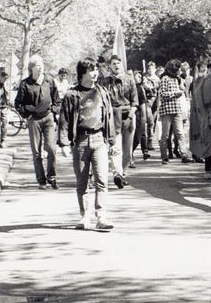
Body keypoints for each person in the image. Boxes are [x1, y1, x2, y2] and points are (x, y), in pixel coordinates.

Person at [57, 57, 115, 230]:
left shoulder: (102, 92)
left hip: (99, 140)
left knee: (102, 180)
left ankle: (101, 216)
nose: (95, 73)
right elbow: (64, 120)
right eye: (91, 70)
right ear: (83, 73)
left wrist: (111, 141)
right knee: (82, 181)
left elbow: (109, 116)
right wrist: (64, 143)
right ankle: (84, 216)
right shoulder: (71, 95)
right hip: (81, 141)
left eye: (96, 69)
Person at [14, 54, 61, 189]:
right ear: (31, 68)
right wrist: (26, 115)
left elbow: (57, 99)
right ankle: (41, 180)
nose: (40, 68)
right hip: (33, 120)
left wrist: (54, 110)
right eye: (37, 66)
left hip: (48, 118)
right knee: (37, 152)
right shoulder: (25, 84)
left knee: (51, 148)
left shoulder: (49, 81)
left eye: (42, 65)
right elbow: (18, 103)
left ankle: (51, 176)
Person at [101, 55, 137, 187]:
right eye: (113, 64)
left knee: (127, 150)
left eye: (118, 63)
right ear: (110, 66)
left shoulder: (129, 80)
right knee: (115, 148)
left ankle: (123, 172)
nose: (116, 66)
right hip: (112, 115)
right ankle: (117, 174)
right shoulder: (105, 82)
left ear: (122, 65)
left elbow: (135, 102)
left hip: (128, 114)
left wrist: (130, 117)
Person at [157, 59, 187, 165]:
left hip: (177, 109)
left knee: (180, 133)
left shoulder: (176, 79)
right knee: (165, 135)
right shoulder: (165, 78)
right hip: (166, 110)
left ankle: (184, 154)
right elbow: (162, 94)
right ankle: (164, 157)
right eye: (179, 69)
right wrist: (175, 93)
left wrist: (181, 89)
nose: (180, 71)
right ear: (173, 69)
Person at [133, 70, 150, 161]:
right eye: (138, 76)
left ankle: (143, 150)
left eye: (141, 77)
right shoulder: (130, 87)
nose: (140, 78)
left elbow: (143, 103)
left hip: (139, 115)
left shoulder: (140, 88)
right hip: (129, 114)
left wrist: (144, 117)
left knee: (138, 136)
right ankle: (129, 155)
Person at [0, 71, 11, 148]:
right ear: (1, 77)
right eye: (4, 78)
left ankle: (3, 141)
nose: (5, 80)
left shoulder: (6, 84)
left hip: (4, 106)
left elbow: (8, 94)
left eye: (6, 78)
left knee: (4, 124)